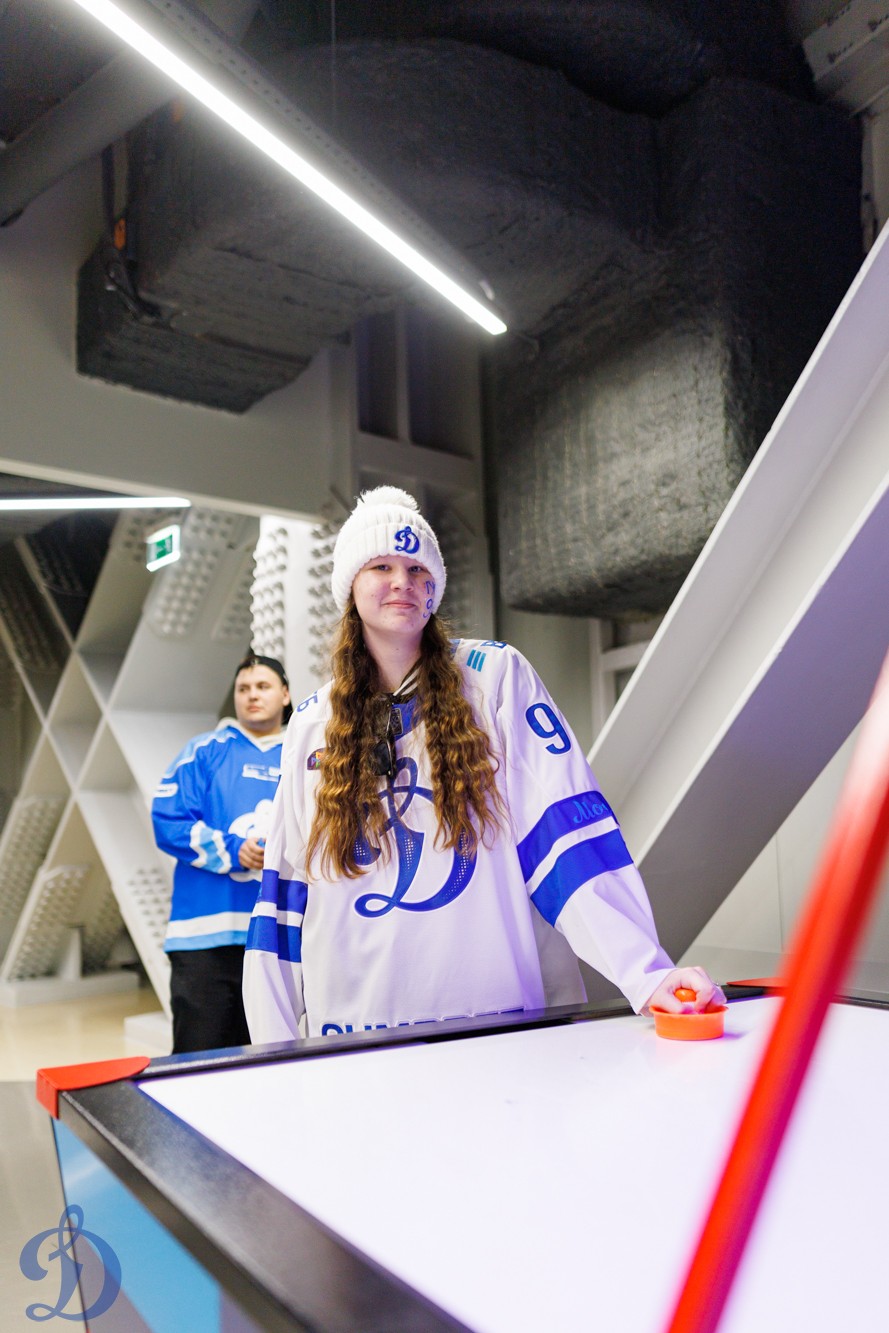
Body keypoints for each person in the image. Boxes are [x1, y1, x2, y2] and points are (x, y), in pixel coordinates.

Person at [243, 488, 722, 1041]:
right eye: (380, 567)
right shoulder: (312, 721)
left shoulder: (495, 678)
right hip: (354, 1035)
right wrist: (273, 1047)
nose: (402, 582)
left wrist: (646, 971)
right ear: (350, 586)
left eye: (417, 568)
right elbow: (285, 896)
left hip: (494, 1025)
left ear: (436, 587)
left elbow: (564, 835)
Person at [152, 653, 291, 1053]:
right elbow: (168, 820)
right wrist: (234, 851)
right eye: (243, 689)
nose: (252, 695)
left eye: (263, 687)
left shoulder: (305, 755)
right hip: (202, 939)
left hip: (275, 937)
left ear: (285, 694)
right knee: (198, 1060)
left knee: (264, 1061)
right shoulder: (203, 750)